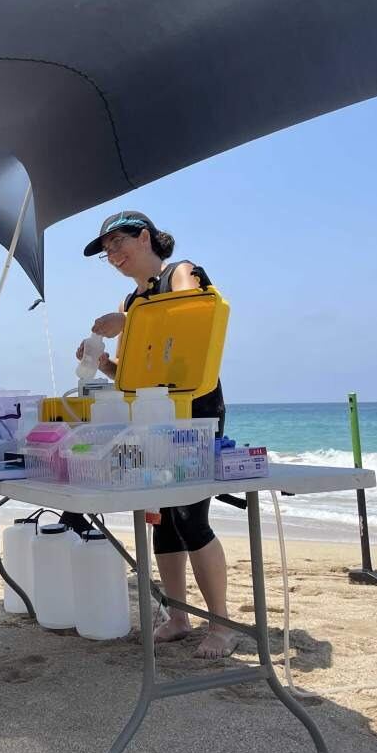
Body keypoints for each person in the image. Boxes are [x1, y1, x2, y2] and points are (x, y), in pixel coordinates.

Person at [77, 211, 238, 659]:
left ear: (144, 237)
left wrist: (126, 322)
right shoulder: (131, 300)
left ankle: (222, 625)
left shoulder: (180, 273)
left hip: (196, 409)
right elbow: (135, 374)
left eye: (117, 244)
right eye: (106, 251)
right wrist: (103, 364)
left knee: (191, 515)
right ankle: (179, 617)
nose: (112, 256)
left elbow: (189, 325)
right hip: (154, 412)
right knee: (162, 517)